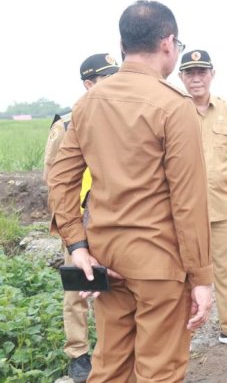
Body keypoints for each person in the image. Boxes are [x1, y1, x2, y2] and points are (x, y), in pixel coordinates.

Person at [47, 0, 213, 382]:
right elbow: (188, 203)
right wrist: (202, 278)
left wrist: (77, 246)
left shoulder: (87, 104)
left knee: (110, 366)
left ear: (122, 44)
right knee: (159, 370)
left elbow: (61, 179)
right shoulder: (174, 107)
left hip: (106, 260)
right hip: (159, 262)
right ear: (168, 43)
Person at [43, 53, 119, 383]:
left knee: (110, 286)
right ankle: (78, 352)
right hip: (77, 218)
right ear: (89, 85)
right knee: (76, 289)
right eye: (106, 80)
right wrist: (69, 227)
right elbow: (55, 179)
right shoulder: (67, 125)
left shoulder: (119, 118)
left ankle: (111, 347)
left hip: (108, 216)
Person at [178, 50, 227, 350]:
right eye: (189, 72)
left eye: (201, 71)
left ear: (212, 73)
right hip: (182, 211)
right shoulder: (172, 109)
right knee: (182, 273)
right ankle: (182, 330)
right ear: (181, 77)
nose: (196, 78)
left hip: (222, 206)